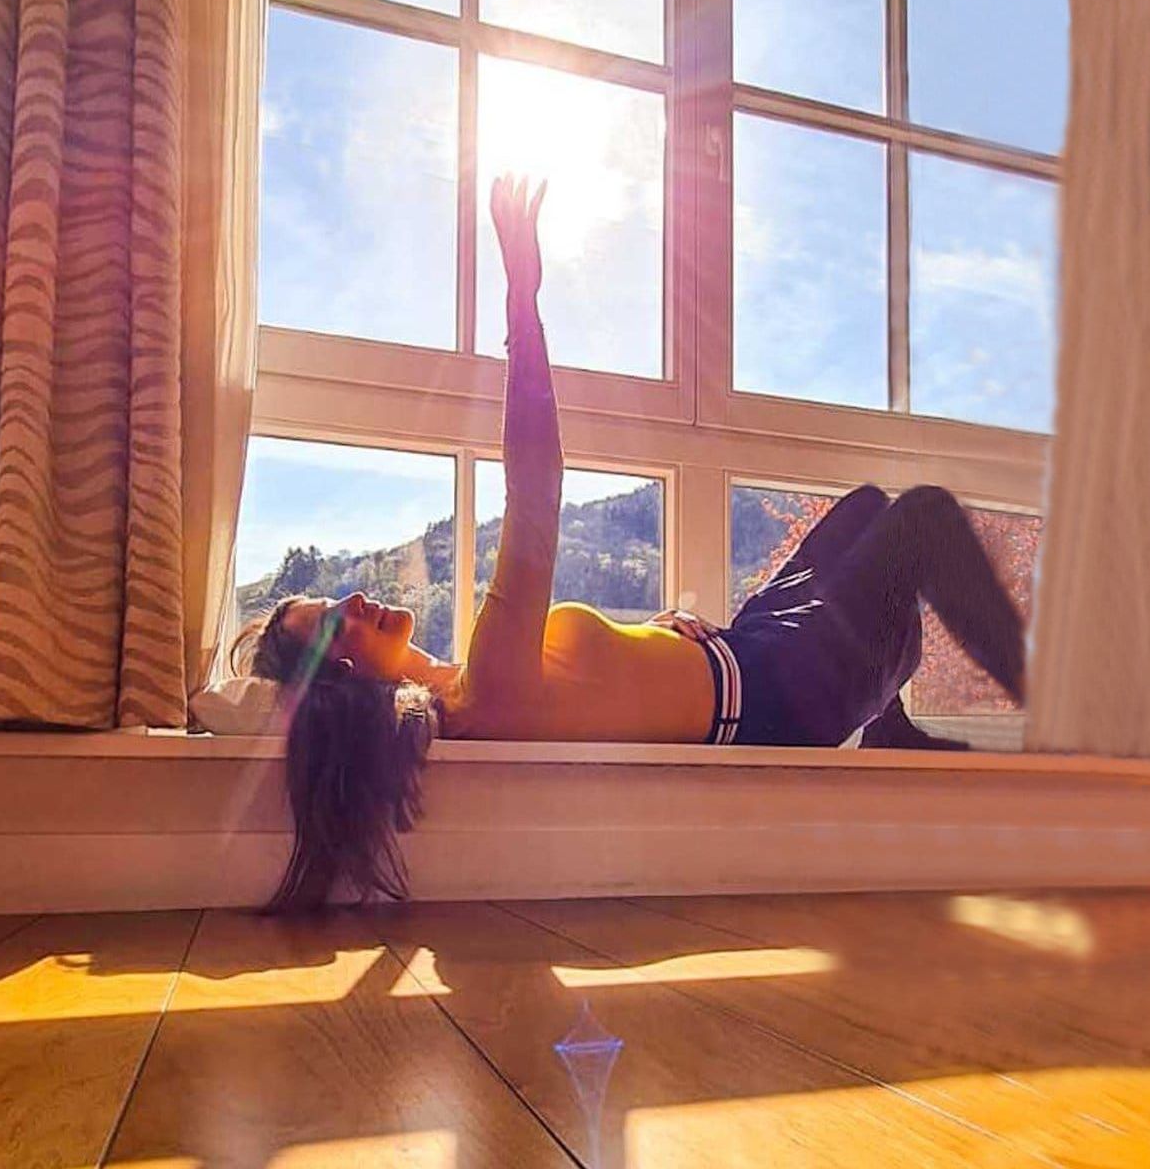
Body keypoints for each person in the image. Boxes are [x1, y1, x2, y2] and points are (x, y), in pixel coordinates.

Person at [233, 175, 1026, 909]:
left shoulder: (480, 670)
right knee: (919, 517)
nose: (355, 599)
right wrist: (521, 296)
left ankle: (888, 726)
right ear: (341, 676)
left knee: (865, 506)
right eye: (333, 620)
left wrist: (656, 630)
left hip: (753, 644)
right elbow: (536, 487)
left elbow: (605, 683)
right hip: (789, 691)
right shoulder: (481, 697)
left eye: (336, 596)